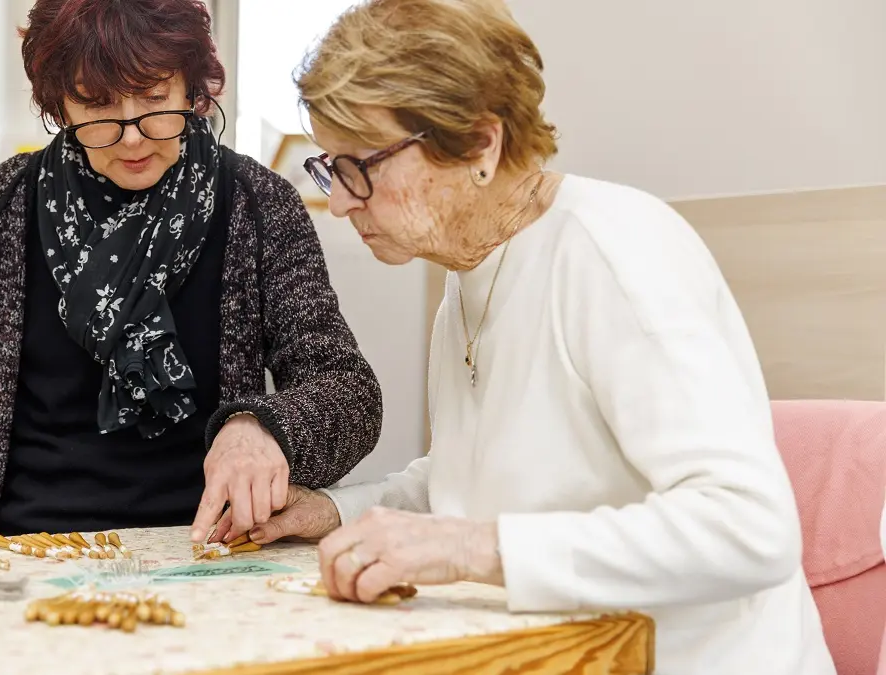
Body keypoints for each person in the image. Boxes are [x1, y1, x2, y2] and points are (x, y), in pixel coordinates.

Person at [230, 1, 836, 673]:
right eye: (329, 167)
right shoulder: (468, 275)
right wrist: (333, 511)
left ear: (480, 146)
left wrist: (469, 551)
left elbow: (750, 528)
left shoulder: (614, 253)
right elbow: (471, 481)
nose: (340, 201)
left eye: (358, 165)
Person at [0, 0, 381, 546]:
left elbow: (349, 393)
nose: (132, 137)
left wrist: (262, 426)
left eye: (154, 99)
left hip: (205, 548)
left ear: (193, 91)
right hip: (25, 545)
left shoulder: (257, 204)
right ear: (58, 104)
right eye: (97, 106)